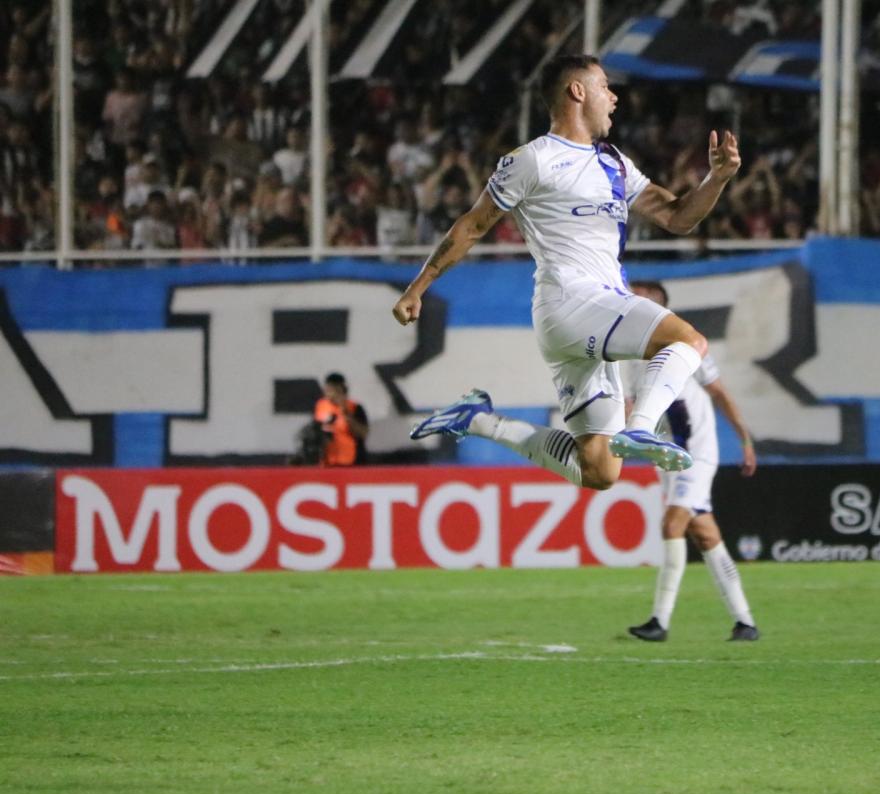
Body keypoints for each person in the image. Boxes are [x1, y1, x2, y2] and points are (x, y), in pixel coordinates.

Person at [396, 54, 742, 489]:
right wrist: (417, 288)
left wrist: (717, 179)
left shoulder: (615, 162)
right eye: (605, 87)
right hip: (573, 300)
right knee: (689, 341)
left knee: (599, 470)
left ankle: (481, 421)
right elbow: (472, 225)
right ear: (577, 92)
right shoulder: (533, 160)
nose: (614, 98)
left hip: (587, 315)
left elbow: (678, 218)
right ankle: (642, 427)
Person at [623, 281, 760, 642]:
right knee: (705, 534)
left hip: (695, 452)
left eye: (639, 295)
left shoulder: (685, 343)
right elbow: (629, 410)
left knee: (672, 525)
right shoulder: (629, 354)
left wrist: (745, 439)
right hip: (667, 454)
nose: (629, 298)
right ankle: (745, 622)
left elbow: (719, 392)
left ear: (658, 305)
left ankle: (660, 621)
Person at [313, 372, 369, 466]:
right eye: (328, 389)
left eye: (333, 389)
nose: (330, 393)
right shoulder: (321, 406)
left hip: (351, 461)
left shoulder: (354, 407)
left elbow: (363, 433)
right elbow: (316, 430)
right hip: (328, 461)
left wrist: (346, 414)